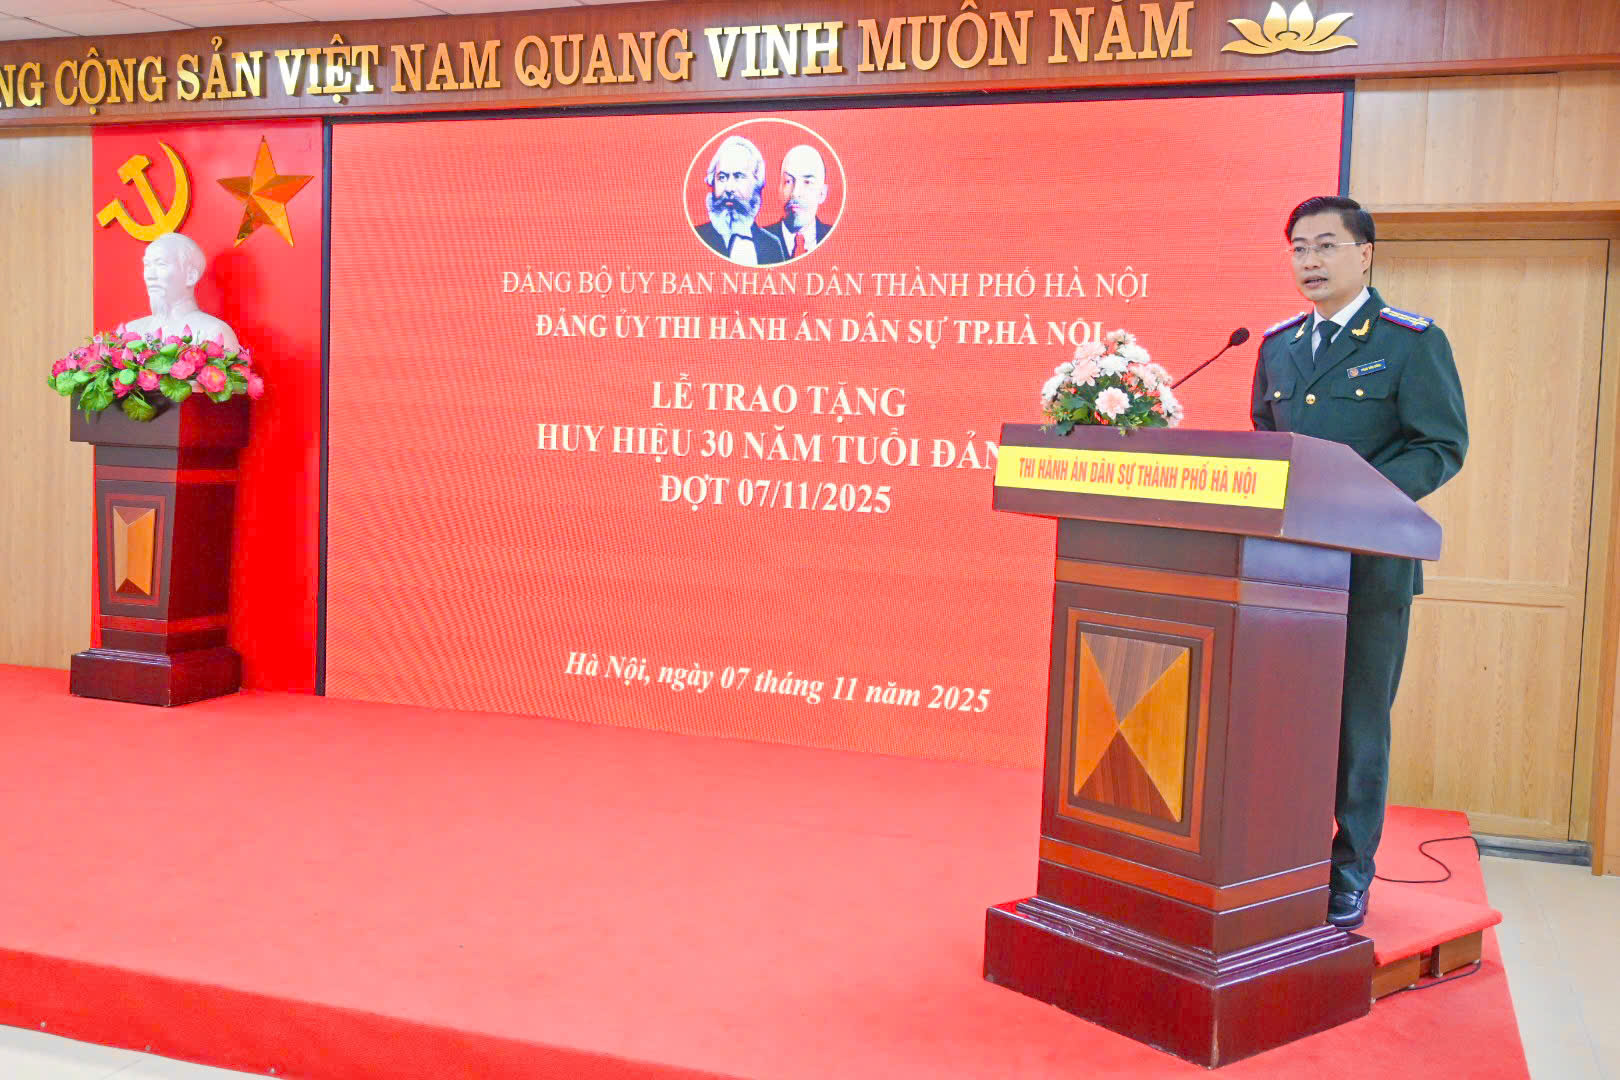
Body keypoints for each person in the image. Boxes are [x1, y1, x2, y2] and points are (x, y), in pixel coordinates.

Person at [1249, 195, 1468, 930]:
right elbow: (1269, 442)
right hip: (1286, 572)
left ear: (1364, 253)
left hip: (1371, 569)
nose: (1309, 261)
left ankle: (1349, 872)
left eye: (1325, 246)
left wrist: (1356, 499)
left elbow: (1440, 446)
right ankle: (1281, 856)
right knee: (1286, 719)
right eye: (1299, 249)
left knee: (1356, 726)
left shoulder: (1410, 342)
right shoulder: (1277, 346)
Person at [123, 231, 240, 349]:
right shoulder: (132, 331)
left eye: (161, 264)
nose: (150, 275)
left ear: (191, 276)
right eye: (147, 265)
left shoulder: (213, 332)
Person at [694, 135, 786, 267]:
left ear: (756, 184)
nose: (729, 188)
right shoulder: (697, 237)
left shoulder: (771, 245)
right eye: (722, 177)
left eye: (738, 177)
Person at [764, 143, 835, 259]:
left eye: (807, 182)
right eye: (788, 181)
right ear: (779, 189)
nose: (795, 193)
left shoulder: (837, 239)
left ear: (822, 193)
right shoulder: (757, 241)